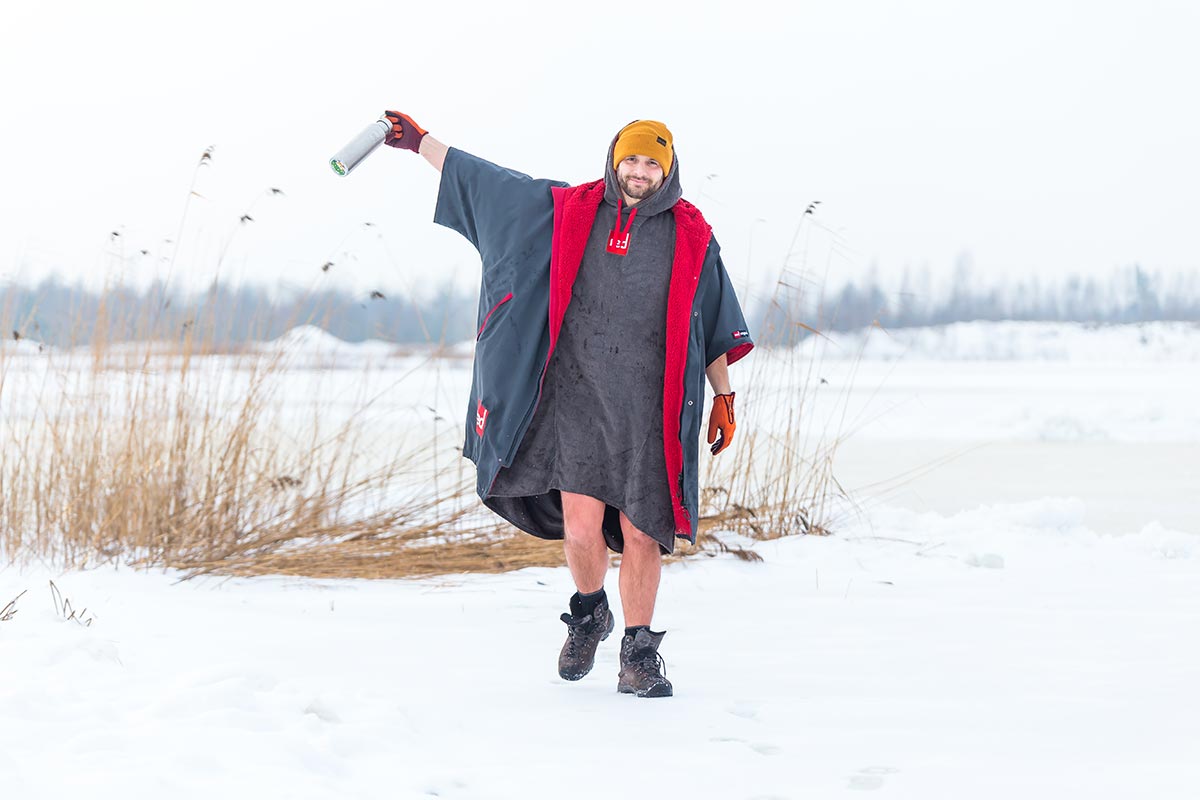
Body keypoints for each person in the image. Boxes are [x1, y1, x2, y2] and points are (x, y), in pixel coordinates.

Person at [383, 111, 754, 698]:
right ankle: (589, 615)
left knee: (642, 533)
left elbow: (711, 324)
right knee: (581, 531)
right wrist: (420, 142)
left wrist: (724, 396)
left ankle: (639, 655)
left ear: (669, 168)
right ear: (614, 160)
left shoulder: (693, 235)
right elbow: (489, 182)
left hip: (651, 414)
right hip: (577, 402)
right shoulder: (570, 211)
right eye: (630, 159)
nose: (639, 171)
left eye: (652, 162)